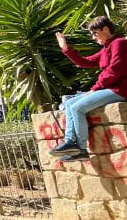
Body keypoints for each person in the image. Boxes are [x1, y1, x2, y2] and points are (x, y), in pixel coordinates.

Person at [51, 16, 127, 162]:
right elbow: (85, 62)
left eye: (95, 33)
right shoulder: (107, 48)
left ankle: (81, 149)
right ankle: (70, 142)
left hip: (121, 90)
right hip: (110, 89)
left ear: (105, 29)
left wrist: (95, 88)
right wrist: (66, 48)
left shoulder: (120, 43)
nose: (93, 37)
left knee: (77, 108)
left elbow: (115, 71)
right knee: (69, 103)